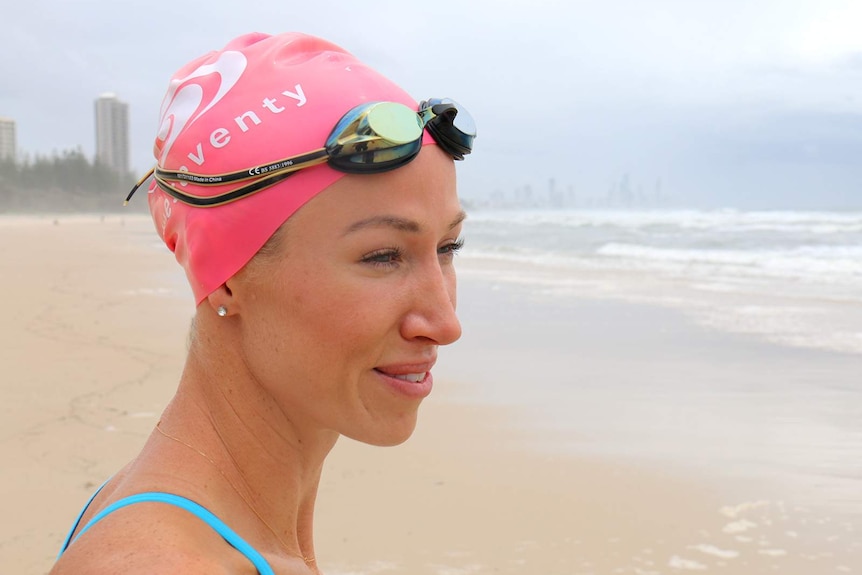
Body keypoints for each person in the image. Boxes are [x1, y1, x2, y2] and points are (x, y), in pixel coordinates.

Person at [51, 31, 475, 574]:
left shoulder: (200, 518)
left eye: (447, 247)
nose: (443, 323)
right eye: (383, 256)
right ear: (227, 275)